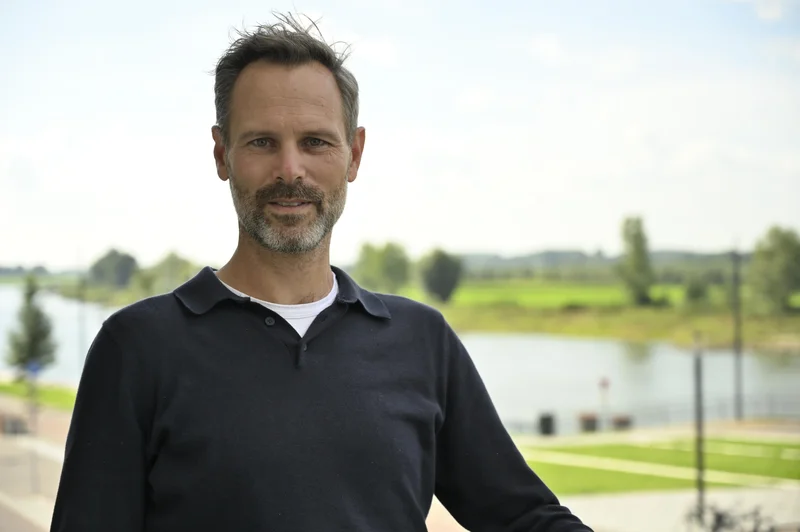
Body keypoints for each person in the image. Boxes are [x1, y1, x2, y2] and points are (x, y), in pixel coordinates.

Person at [50, 13, 592, 532]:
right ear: (221, 155)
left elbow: (522, 517)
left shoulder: (422, 341)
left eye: (315, 142)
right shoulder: (137, 349)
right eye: (262, 142)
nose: (291, 170)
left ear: (353, 154)